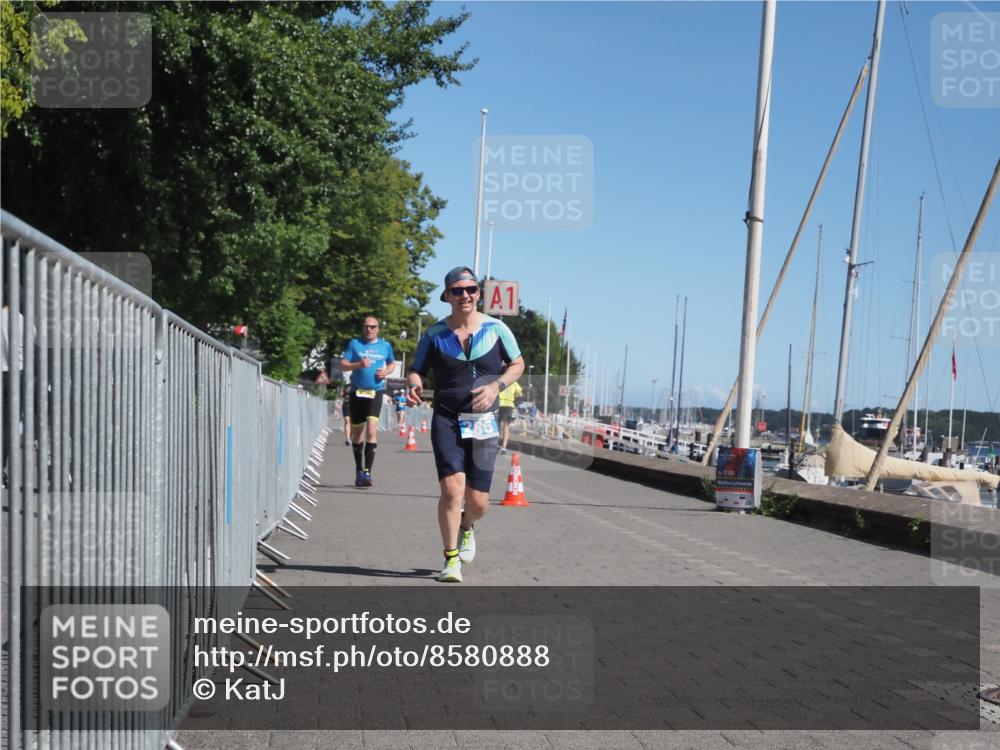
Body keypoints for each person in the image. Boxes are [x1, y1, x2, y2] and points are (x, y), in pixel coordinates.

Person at [407, 267, 524, 583]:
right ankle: (450, 559)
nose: (465, 295)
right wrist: (414, 384)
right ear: (447, 296)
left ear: (478, 293)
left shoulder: (497, 328)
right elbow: (415, 370)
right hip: (446, 418)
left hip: (484, 423)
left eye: (471, 289)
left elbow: (518, 364)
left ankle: (467, 527)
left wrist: (495, 387)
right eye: (457, 290)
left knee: (478, 502)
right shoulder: (434, 334)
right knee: (451, 490)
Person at [340, 315, 395, 487]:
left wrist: (386, 372)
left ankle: (367, 472)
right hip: (357, 393)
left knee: (372, 429)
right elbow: (343, 364)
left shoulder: (385, 346)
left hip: (375, 392)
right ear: (362, 329)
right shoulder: (354, 344)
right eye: (366, 327)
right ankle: (358, 470)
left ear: (378, 328)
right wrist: (358, 365)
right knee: (357, 434)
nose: (369, 330)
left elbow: (392, 363)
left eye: (372, 326)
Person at [498, 378, 523, 454]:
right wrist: (514, 395)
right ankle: (504, 447)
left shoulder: (499, 380)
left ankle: (495, 444)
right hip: (509, 405)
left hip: (499, 403)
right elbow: (520, 393)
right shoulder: (513, 381)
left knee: (497, 424)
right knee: (506, 426)